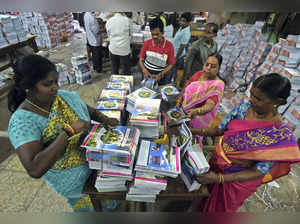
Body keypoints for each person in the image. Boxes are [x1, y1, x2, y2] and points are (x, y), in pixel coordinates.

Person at [7, 55, 120, 212]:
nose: (55, 88)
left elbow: (88, 109)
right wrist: (68, 131)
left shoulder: (61, 98)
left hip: (95, 162)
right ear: (29, 87)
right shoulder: (22, 122)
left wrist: (104, 119)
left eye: (56, 81)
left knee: (110, 200)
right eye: (48, 84)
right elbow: (34, 168)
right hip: (73, 180)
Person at [189, 73, 300, 212]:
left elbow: (258, 171)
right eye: (251, 94)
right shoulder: (243, 108)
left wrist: (219, 179)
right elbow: (219, 130)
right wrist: (191, 130)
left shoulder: (279, 135)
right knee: (200, 199)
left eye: (258, 98)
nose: (251, 100)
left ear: (277, 102)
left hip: (235, 182)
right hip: (216, 164)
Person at [176, 54, 225, 149]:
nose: (208, 68)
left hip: (197, 119)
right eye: (207, 64)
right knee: (177, 137)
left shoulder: (217, 85)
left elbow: (210, 105)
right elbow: (186, 87)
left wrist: (196, 111)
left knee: (189, 143)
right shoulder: (199, 74)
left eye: (213, 66)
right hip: (183, 112)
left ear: (218, 69)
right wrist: (179, 101)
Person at [180, 23, 218, 88]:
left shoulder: (215, 45)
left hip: (205, 76)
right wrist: (184, 80)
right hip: (194, 76)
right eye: (204, 31)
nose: (204, 34)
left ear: (214, 35)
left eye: (208, 33)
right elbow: (188, 63)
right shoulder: (196, 45)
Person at [139, 18, 175, 86]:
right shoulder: (147, 43)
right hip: (147, 75)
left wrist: (161, 74)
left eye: (157, 34)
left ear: (163, 32)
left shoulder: (169, 46)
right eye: (152, 34)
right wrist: (144, 70)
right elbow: (141, 59)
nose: (154, 37)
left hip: (161, 77)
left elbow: (171, 64)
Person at [171, 12, 192, 85]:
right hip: (174, 53)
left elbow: (182, 47)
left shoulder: (186, 32)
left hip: (178, 56)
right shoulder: (182, 28)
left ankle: (173, 86)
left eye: (184, 21)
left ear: (188, 22)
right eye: (181, 20)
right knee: (173, 72)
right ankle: (173, 84)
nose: (181, 22)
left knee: (173, 73)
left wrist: (176, 58)